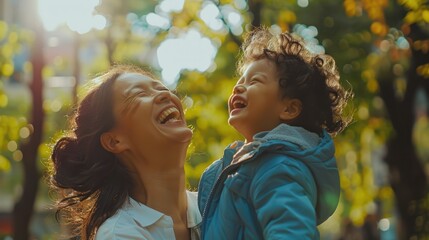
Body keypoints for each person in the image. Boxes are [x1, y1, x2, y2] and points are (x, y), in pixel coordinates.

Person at [198, 27, 352, 239]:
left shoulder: (278, 167)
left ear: (289, 109)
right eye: (240, 81)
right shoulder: (236, 166)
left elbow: (292, 232)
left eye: (254, 81)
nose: (237, 88)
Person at [50, 65, 201, 240]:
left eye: (162, 88)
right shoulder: (119, 234)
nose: (165, 94)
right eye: (139, 94)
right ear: (114, 141)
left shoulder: (217, 205)